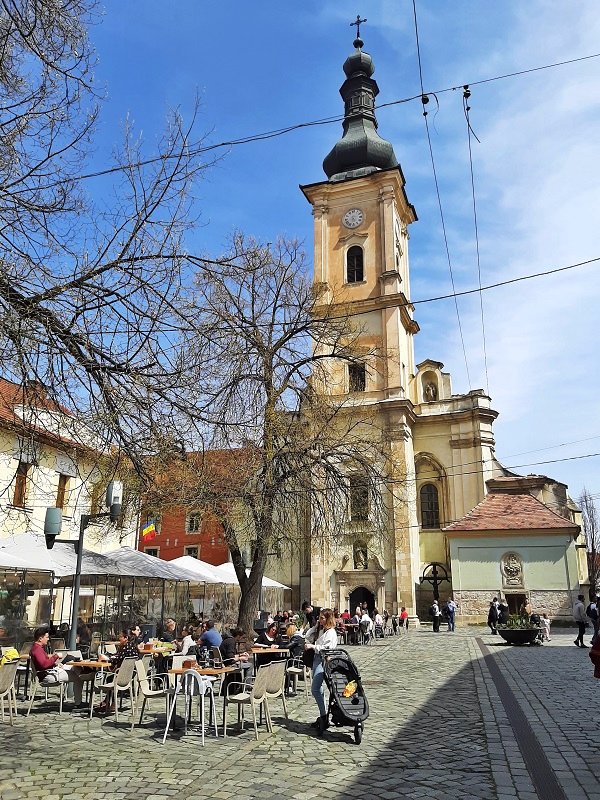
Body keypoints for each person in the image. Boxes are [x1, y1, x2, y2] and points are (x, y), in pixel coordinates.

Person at [29, 626, 87, 709]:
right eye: (47, 637)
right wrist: (55, 656)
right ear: (40, 638)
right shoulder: (37, 650)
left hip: (48, 673)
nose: (48, 639)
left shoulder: (37, 648)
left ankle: (82, 673)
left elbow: (44, 663)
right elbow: (44, 665)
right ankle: (78, 702)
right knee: (79, 677)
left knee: (73, 668)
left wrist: (55, 665)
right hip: (48, 676)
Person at [304, 608, 338, 733]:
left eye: (322, 618)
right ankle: (323, 715)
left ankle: (324, 716)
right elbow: (307, 636)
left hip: (324, 660)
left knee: (315, 689)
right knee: (319, 689)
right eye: (319, 617)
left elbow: (327, 648)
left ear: (328, 618)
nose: (320, 619)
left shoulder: (331, 633)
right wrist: (316, 626)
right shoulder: (321, 629)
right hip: (317, 659)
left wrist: (313, 646)